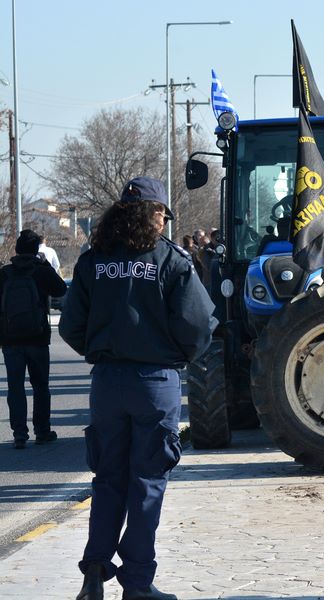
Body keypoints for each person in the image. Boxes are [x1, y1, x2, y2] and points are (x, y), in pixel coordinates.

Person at [60, 176, 217, 600]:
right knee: (147, 483)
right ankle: (137, 583)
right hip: (154, 382)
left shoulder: (93, 261)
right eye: (162, 213)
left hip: (107, 382)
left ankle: (95, 572)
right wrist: (174, 355)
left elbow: (72, 325)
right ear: (152, 215)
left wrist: (103, 348)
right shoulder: (172, 260)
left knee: (108, 479)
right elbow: (199, 325)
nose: (165, 221)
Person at [1, 229, 68, 449]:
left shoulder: (5, 273)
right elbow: (60, 289)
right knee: (40, 386)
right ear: (36, 250)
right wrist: (45, 264)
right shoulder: (41, 271)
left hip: (10, 339)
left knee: (15, 387)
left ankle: (19, 434)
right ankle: (42, 431)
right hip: (38, 338)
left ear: (17, 249)